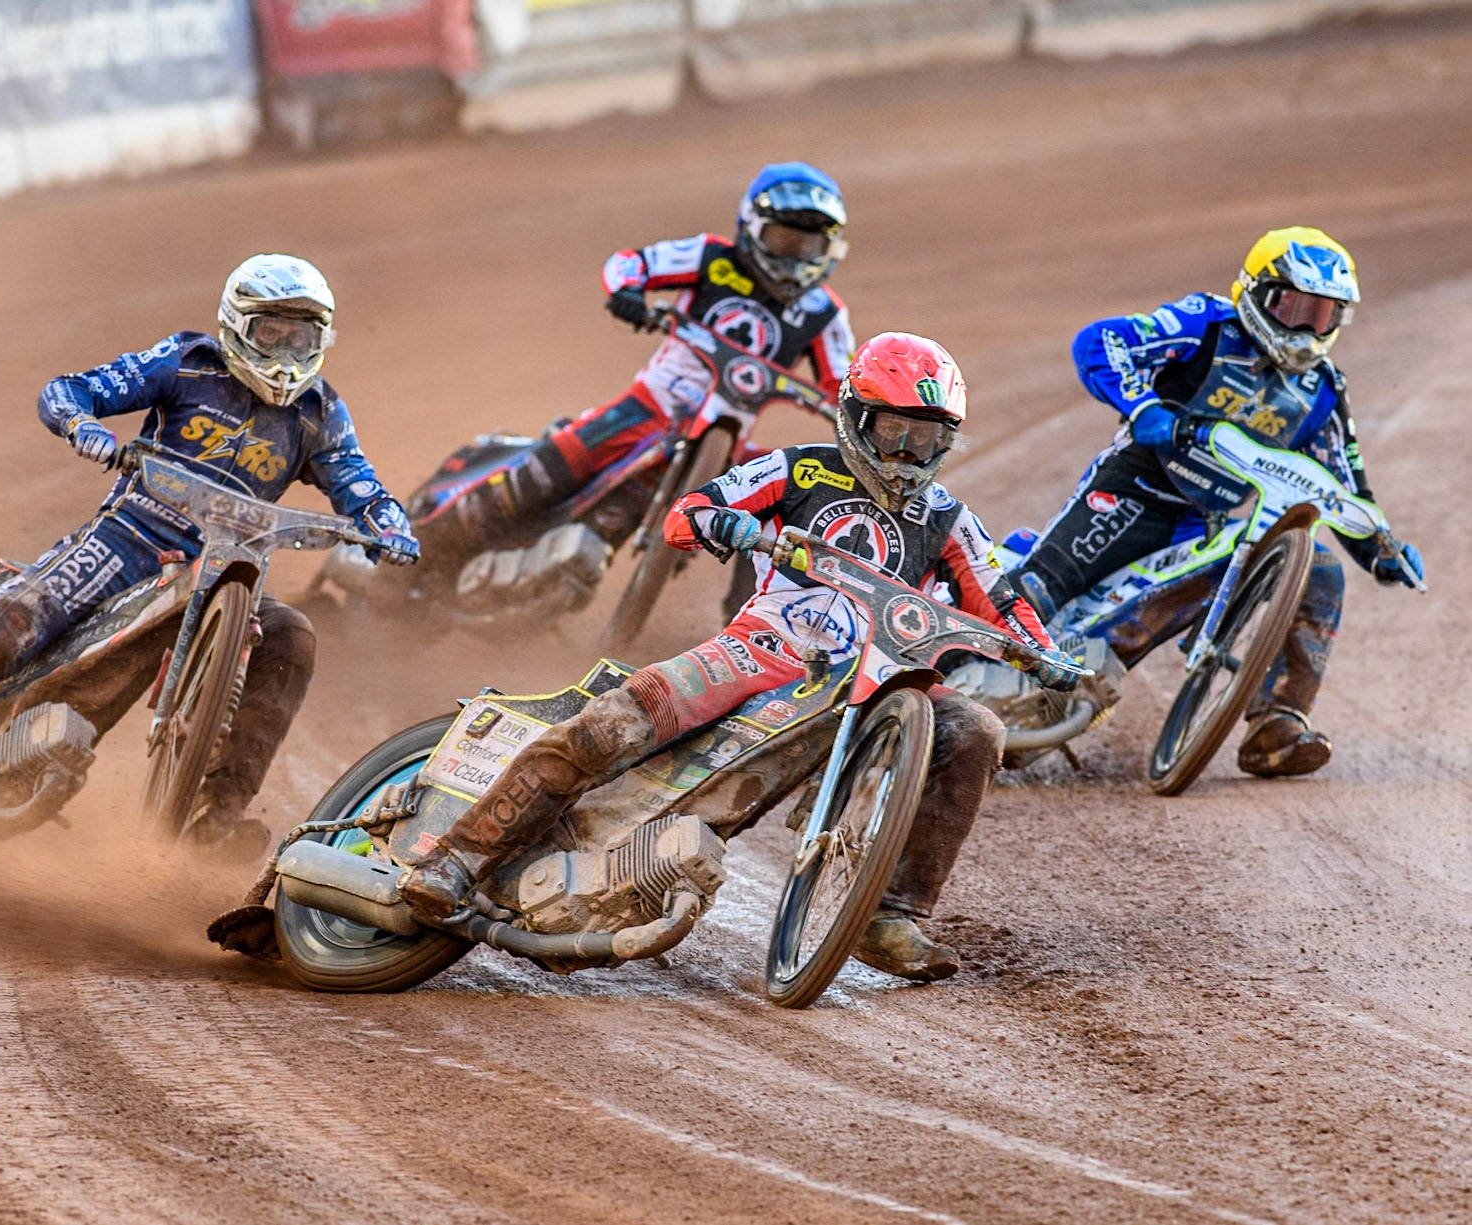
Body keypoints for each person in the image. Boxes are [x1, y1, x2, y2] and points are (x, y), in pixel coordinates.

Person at [400, 333, 1079, 981]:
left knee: (976, 728)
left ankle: (890, 914)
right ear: (856, 416)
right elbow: (688, 512)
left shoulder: (950, 519)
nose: (907, 452)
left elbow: (1000, 599)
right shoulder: (800, 467)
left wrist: (1045, 655)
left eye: (926, 438)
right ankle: (458, 856)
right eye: (894, 431)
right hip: (760, 649)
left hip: (878, 678)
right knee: (612, 724)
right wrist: (726, 523)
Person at [0, 254, 419, 845]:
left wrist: (390, 526)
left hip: (227, 572)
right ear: (237, 326)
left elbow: (360, 484)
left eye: (299, 338)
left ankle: (215, 815)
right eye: (271, 334)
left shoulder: (319, 412)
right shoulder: (188, 362)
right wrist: (84, 426)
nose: (285, 355)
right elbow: (69, 390)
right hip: (127, 541)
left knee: (292, 638)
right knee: (5, 628)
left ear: (321, 339)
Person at [1005, 227, 1424, 778]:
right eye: (1293, 307)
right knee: (1039, 589)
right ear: (1255, 293)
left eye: (1322, 315)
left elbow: (1342, 484)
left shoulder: (1323, 390)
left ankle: (1277, 725)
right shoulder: (1206, 323)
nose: (1305, 328)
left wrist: (1380, 550)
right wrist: (1143, 407)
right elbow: (1100, 341)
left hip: (1209, 528)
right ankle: (947, 685)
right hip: (1135, 489)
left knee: (1318, 567)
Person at [412, 161, 857, 562]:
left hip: (726, 442)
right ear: (752, 227)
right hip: (648, 405)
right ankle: (417, 554)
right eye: (784, 241)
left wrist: (856, 418)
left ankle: (747, 616)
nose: (795, 260)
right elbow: (630, 264)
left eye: (809, 247)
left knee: (785, 503)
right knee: (535, 479)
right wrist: (626, 293)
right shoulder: (710, 257)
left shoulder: (826, 314)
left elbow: (846, 387)